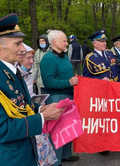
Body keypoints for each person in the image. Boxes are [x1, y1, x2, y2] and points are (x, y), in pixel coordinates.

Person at [0, 13, 64, 166]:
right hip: (10, 158)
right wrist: (42, 118)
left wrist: (40, 108)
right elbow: (3, 130)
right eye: (18, 44)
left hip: (24, 152)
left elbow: (21, 106)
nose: (23, 49)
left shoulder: (11, 71)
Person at [40, 30, 79, 165]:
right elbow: (48, 82)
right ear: (54, 42)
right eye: (64, 41)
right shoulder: (48, 58)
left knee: (67, 126)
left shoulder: (64, 57)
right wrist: (68, 82)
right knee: (57, 130)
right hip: (56, 97)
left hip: (68, 95)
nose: (66, 43)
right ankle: (56, 161)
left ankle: (66, 154)